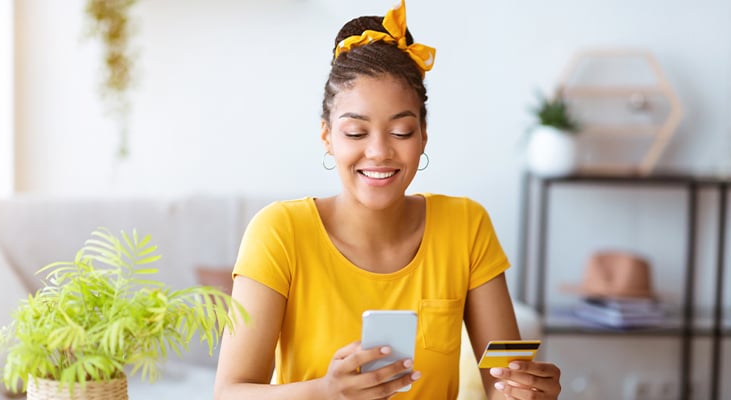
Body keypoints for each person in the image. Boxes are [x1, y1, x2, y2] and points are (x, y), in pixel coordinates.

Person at [214, 1, 562, 399]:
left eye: (400, 132)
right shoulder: (278, 232)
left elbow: (503, 386)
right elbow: (229, 393)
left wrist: (528, 392)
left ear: (423, 135)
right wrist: (326, 392)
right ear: (327, 136)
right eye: (356, 133)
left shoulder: (466, 225)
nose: (379, 152)